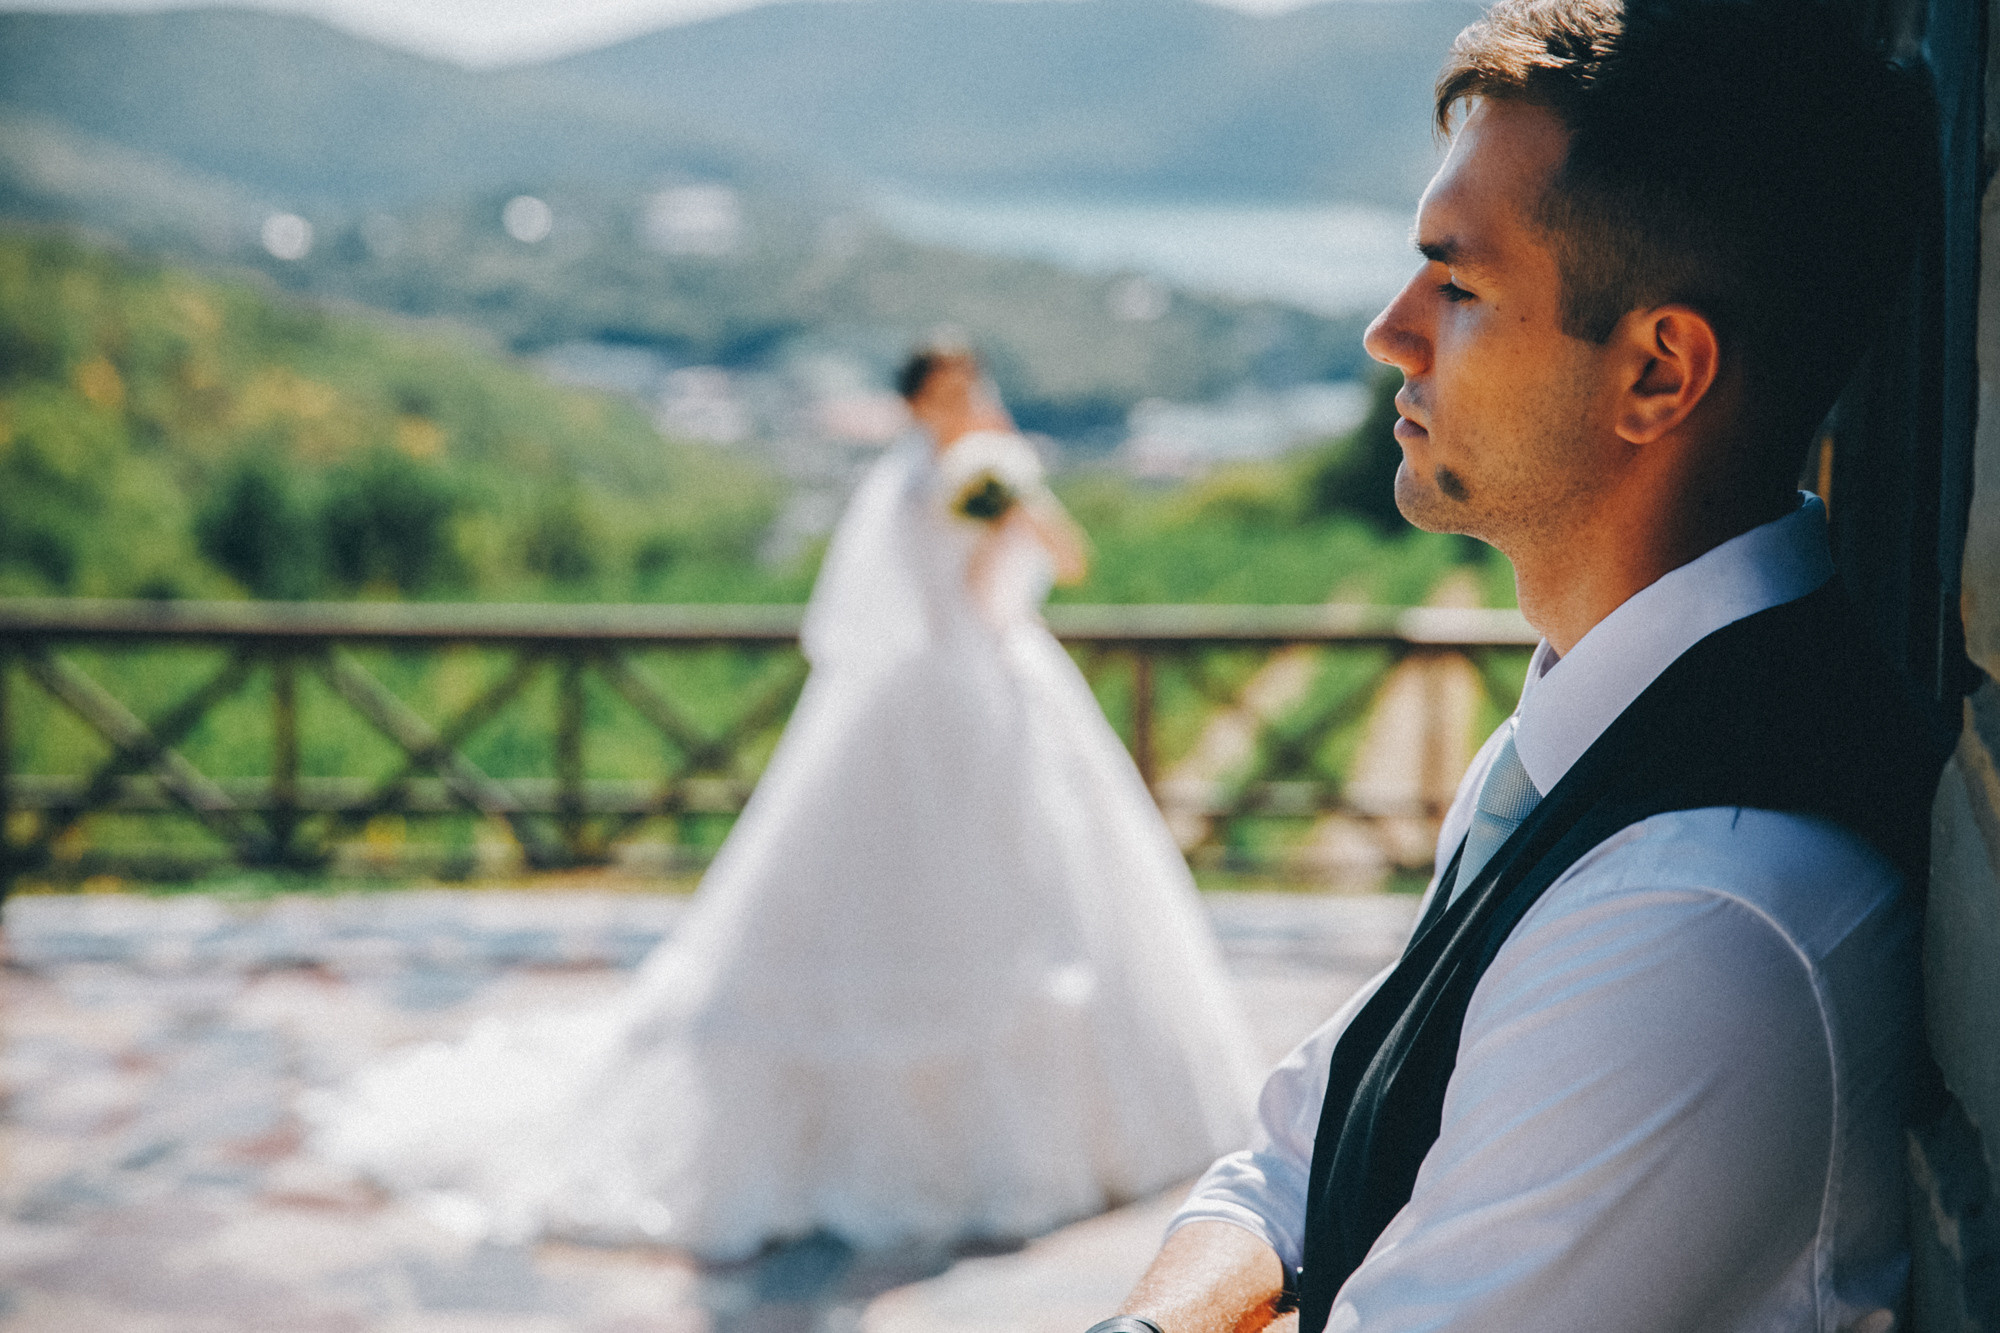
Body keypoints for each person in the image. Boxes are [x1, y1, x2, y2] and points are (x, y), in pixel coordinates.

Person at [1089, 1, 1948, 1330]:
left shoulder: (1701, 912)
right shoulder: (1609, 720)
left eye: (1460, 283)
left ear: (1657, 373)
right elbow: (1299, 1150)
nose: (1391, 328)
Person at [307, 345, 1261, 1259]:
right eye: (943, 388)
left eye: (967, 384)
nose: (960, 400)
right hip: (941, 691)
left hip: (1002, 686)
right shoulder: (913, 484)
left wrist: (1012, 507)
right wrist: (995, 524)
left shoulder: (985, 468)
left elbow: (1062, 562)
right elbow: (936, 597)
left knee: (1040, 885)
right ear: (914, 400)